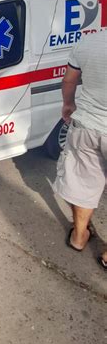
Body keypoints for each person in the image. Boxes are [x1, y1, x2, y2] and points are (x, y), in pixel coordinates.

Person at [53, 29, 107, 253]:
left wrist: (68, 104)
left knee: (83, 184)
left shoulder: (89, 41)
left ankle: (79, 236)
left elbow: (69, 81)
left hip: (87, 126)